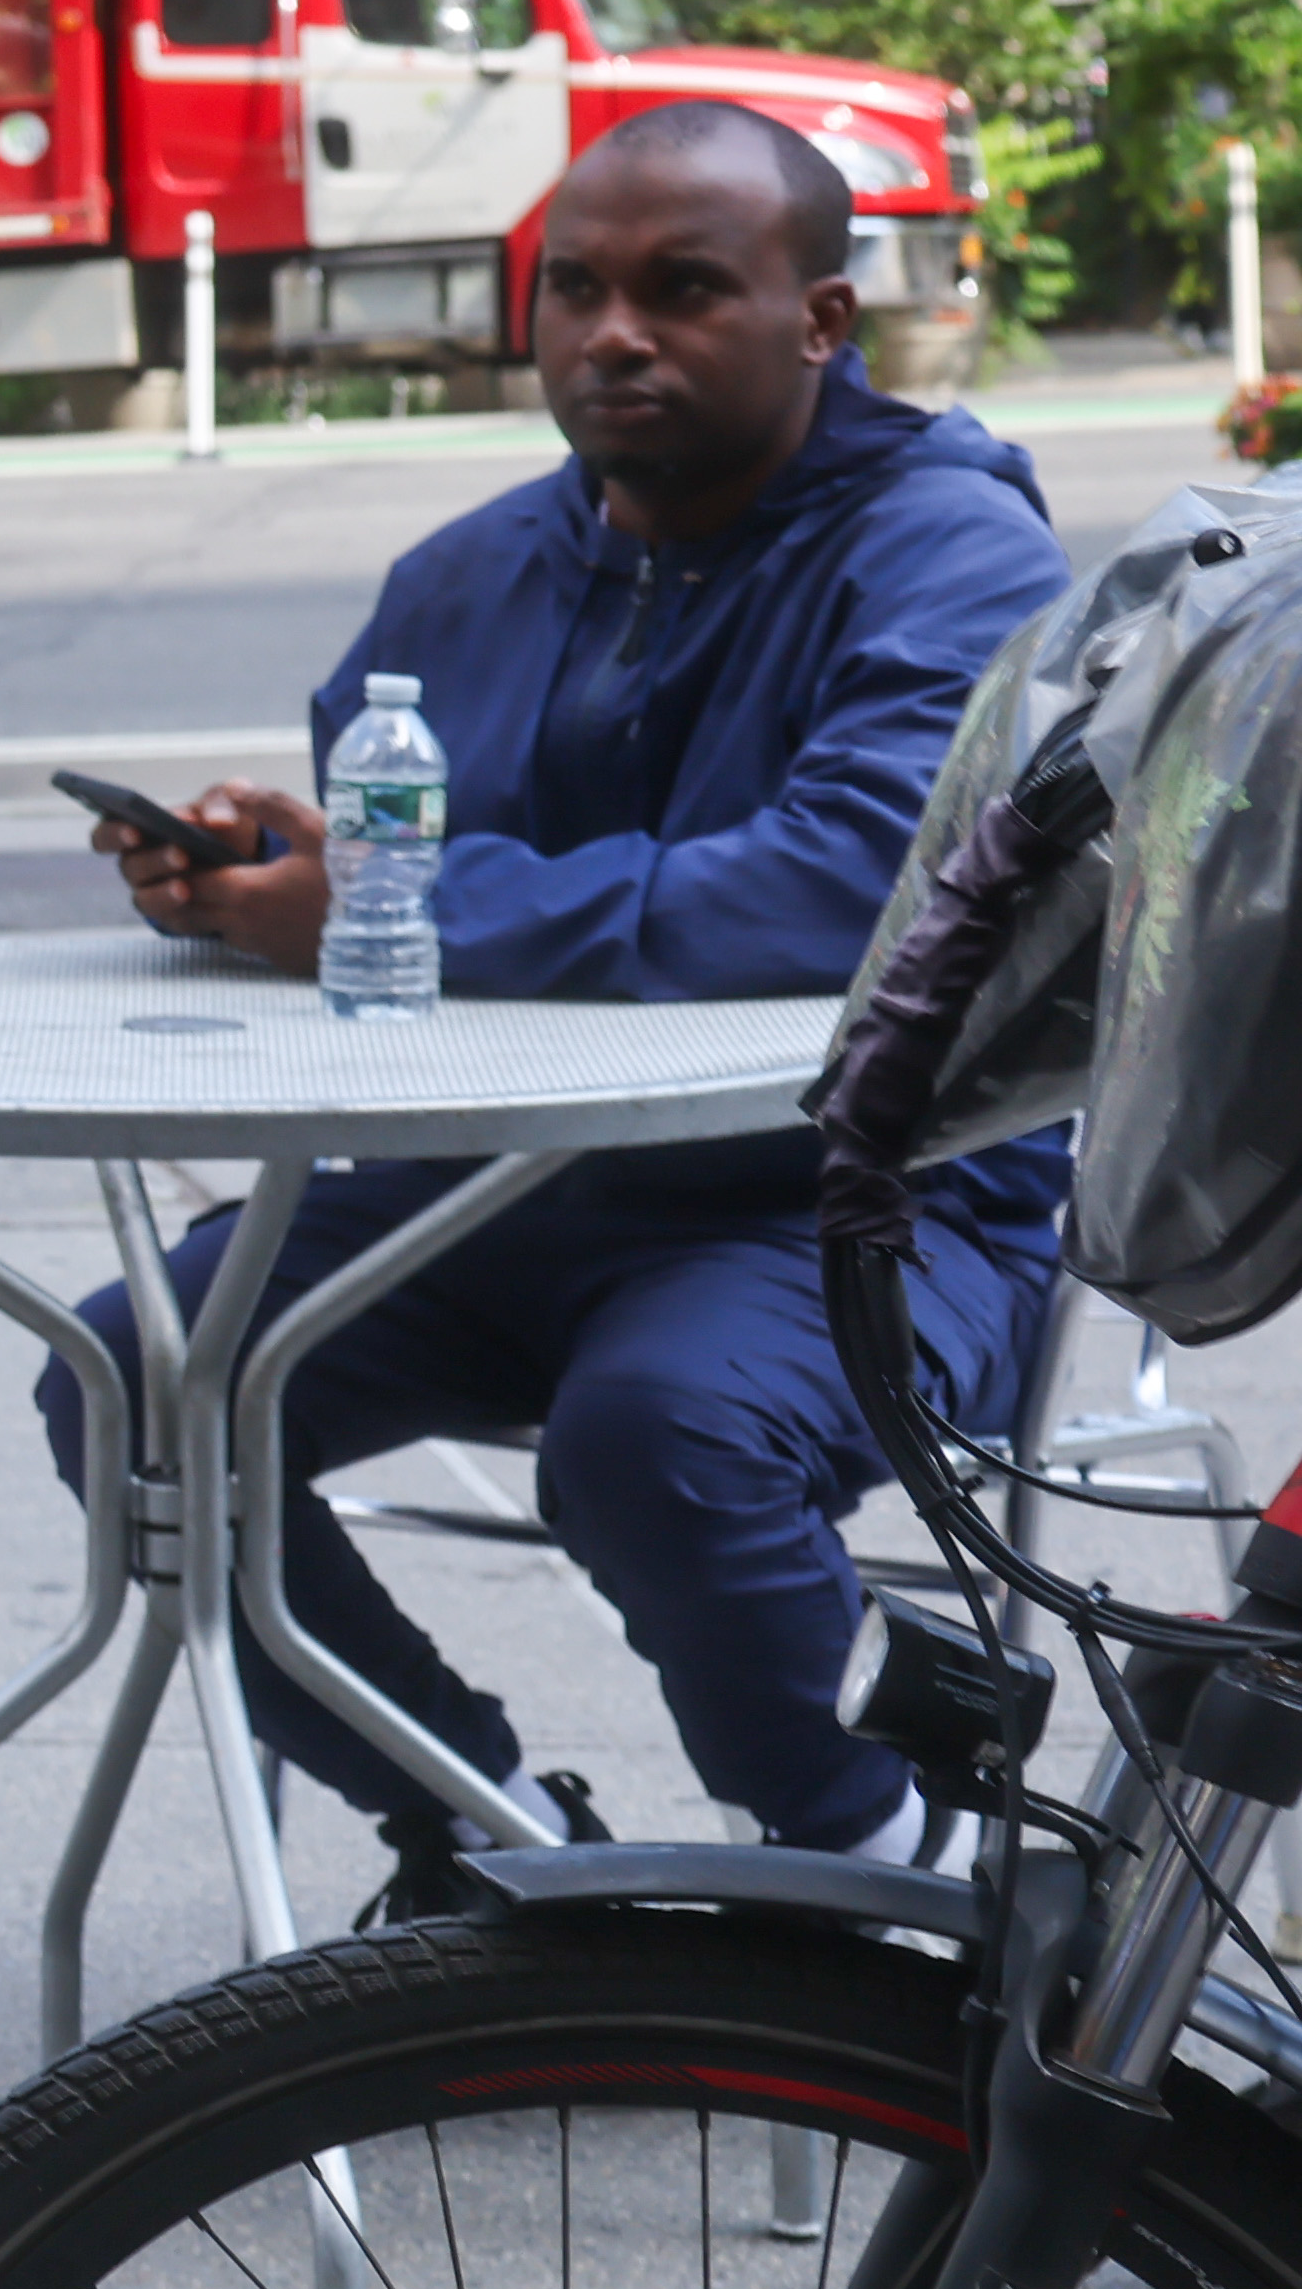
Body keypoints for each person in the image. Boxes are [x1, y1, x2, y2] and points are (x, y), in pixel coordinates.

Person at [60, 99, 1061, 1893]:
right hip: (492, 1185)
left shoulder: (953, 550)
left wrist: (384, 906)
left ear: (819, 319)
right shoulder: (452, 582)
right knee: (135, 1374)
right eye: (573, 288)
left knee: (653, 1428)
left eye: (683, 287)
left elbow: (844, 887)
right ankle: (480, 1819)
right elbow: (403, 886)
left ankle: (885, 1854)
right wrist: (265, 878)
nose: (615, 332)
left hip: (851, 1205)